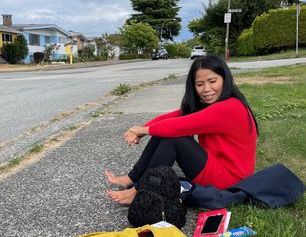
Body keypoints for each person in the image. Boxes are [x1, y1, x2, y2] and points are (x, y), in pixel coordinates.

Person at [105, 55, 258, 205]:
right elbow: (173, 117)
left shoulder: (231, 107)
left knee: (175, 138)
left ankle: (139, 190)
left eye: (212, 81)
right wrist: (139, 130)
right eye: (200, 84)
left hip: (230, 181)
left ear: (225, 79)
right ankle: (132, 178)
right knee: (163, 132)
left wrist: (142, 130)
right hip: (216, 167)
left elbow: (177, 126)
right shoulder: (210, 104)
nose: (206, 89)